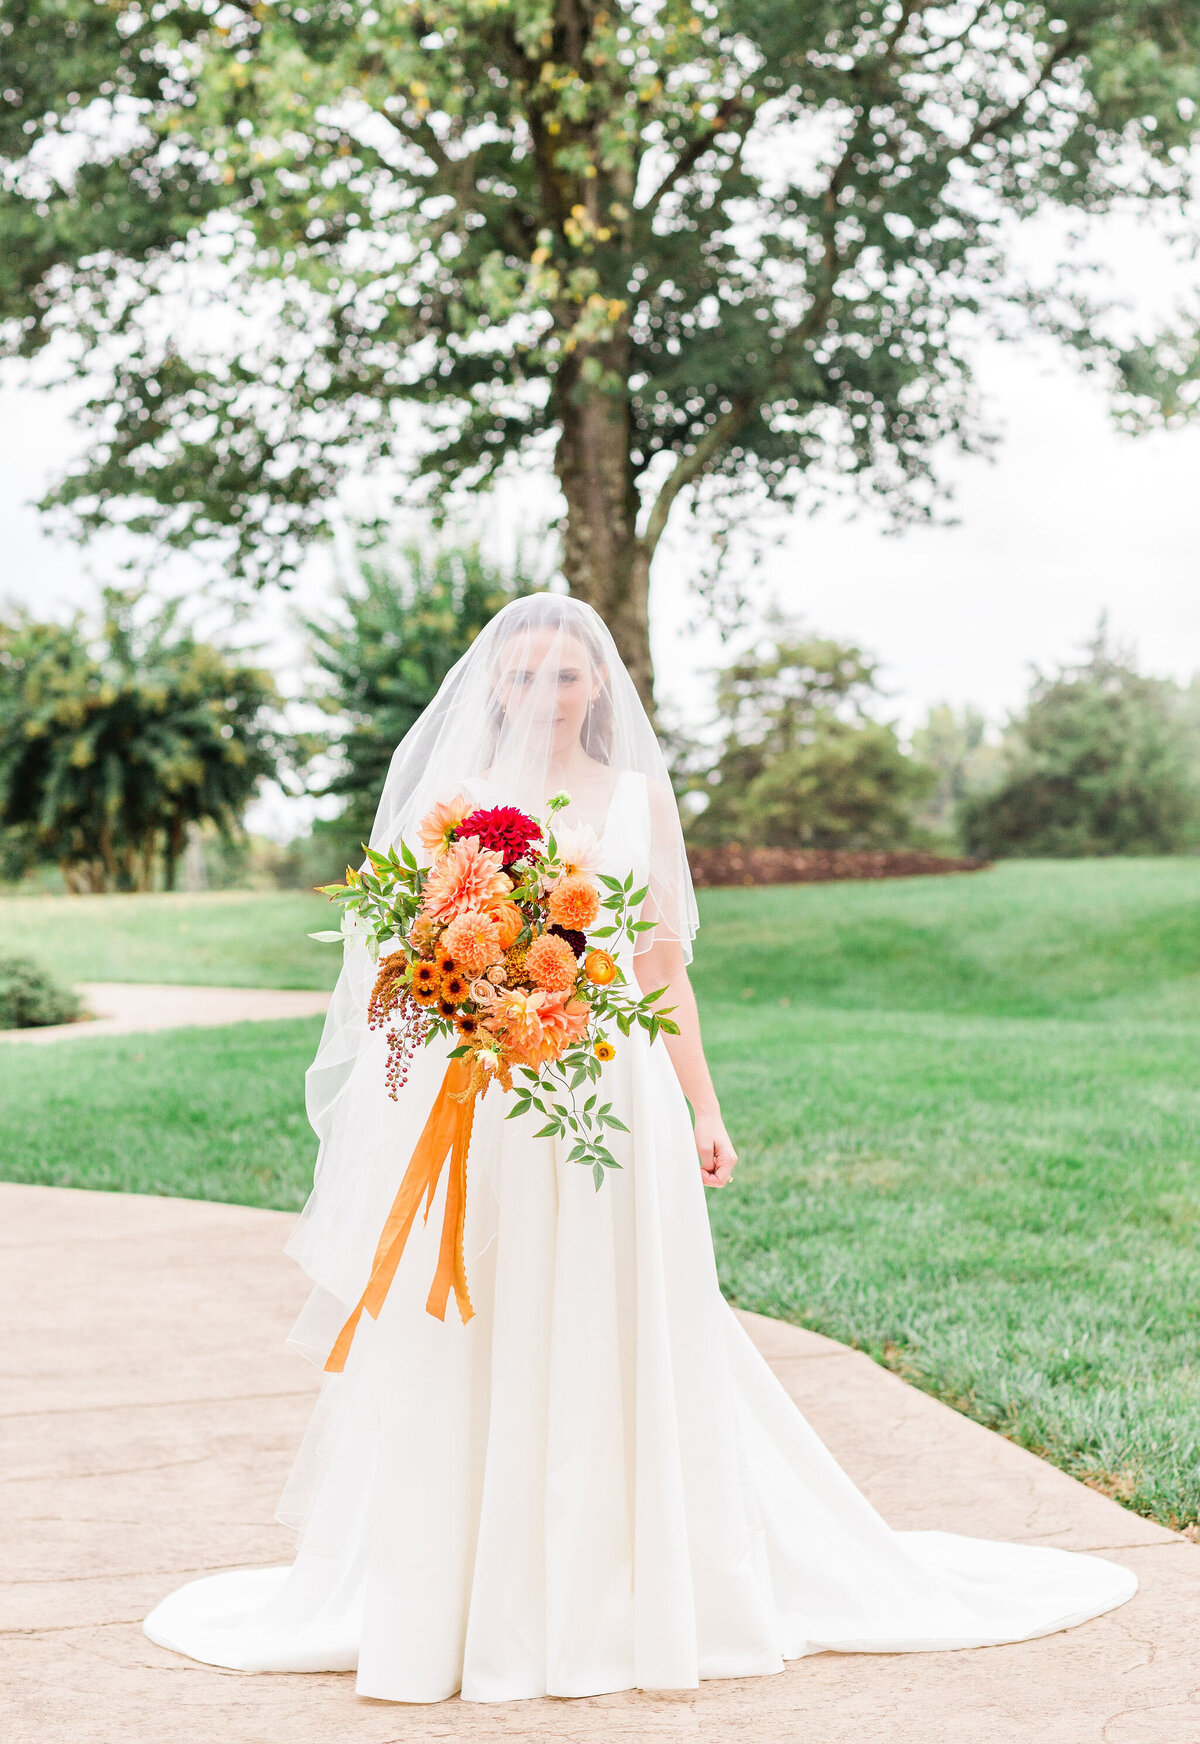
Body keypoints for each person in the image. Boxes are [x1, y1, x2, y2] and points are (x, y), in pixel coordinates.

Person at [143, 593, 1136, 1702]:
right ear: (496, 685)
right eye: (520, 676)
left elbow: (662, 968)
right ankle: (468, 1587)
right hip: (493, 1095)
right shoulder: (459, 805)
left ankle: (629, 1581)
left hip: (610, 1086)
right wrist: (471, 993)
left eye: (563, 677)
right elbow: (403, 968)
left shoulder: (638, 799)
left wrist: (705, 1108)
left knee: (622, 1317)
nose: (540, 695)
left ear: (598, 687)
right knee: (494, 1321)